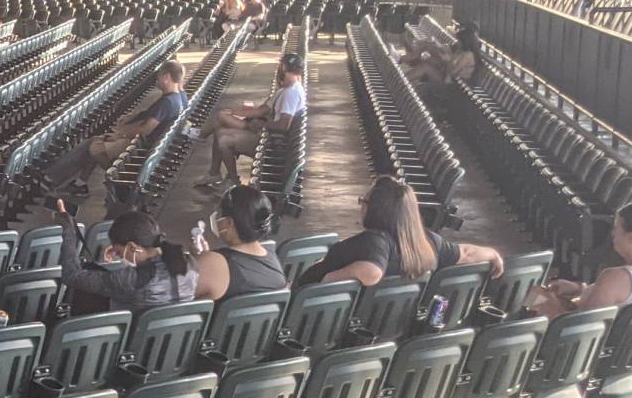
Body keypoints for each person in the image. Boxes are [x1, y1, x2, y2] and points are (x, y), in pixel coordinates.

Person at [306, 175, 503, 287]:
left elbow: (371, 271)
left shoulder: (375, 242)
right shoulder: (428, 242)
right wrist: (493, 254)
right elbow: (467, 253)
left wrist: (325, 280)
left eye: (363, 201)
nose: (361, 207)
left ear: (377, 209)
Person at [532, 201, 632, 318]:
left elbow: (579, 330)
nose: (613, 233)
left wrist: (550, 305)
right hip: (623, 351)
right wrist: (579, 289)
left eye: (616, 228)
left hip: (583, 351)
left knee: (533, 294)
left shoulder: (617, 277)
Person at [55, 201, 198, 312]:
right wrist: (118, 247)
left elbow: (71, 276)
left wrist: (69, 230)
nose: (119, 256)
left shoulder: (130, 280)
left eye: (119, 251)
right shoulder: (190, 263)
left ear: (132, 247)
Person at [202, 53, 305, 191]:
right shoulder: (286, 89)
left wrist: (261, 125)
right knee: (220, 130)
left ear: (284, 67)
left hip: (273, 145)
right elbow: (261, 110)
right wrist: (235, 113)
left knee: (224, 139)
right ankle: (217, 174)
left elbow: (283, 125)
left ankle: (232, 181)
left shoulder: (290, 93)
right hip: (268, 136)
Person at [83, 60, 188, 174]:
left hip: (143, 145)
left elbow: (145, 130)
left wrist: (120, 135)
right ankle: (81, 182)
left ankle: (117, 177)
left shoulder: (167, 102)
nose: (156, 79)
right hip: (155, 143)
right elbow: (150, 114)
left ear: (166, 77)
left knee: (95, 148)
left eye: (158, 75)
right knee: (96, 140)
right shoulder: (181, 96)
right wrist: (133, 117)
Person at [189, 184, 290, 301]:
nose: (216, 218)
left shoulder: (216, 263)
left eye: (219, 214)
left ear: (229, 223)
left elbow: (171, 294)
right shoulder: (271, 257)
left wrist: (201, 259)